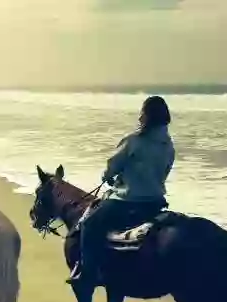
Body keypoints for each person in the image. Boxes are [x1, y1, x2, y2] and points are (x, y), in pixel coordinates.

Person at [68, 95, 175, 285]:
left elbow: (112, 167)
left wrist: (107, 177)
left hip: (127, 201)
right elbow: (164, 172)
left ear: (146, 116)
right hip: (155, 202)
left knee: (89, 224)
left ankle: (86, 273)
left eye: (142, 113)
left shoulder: (133, 140)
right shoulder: (169, 145)